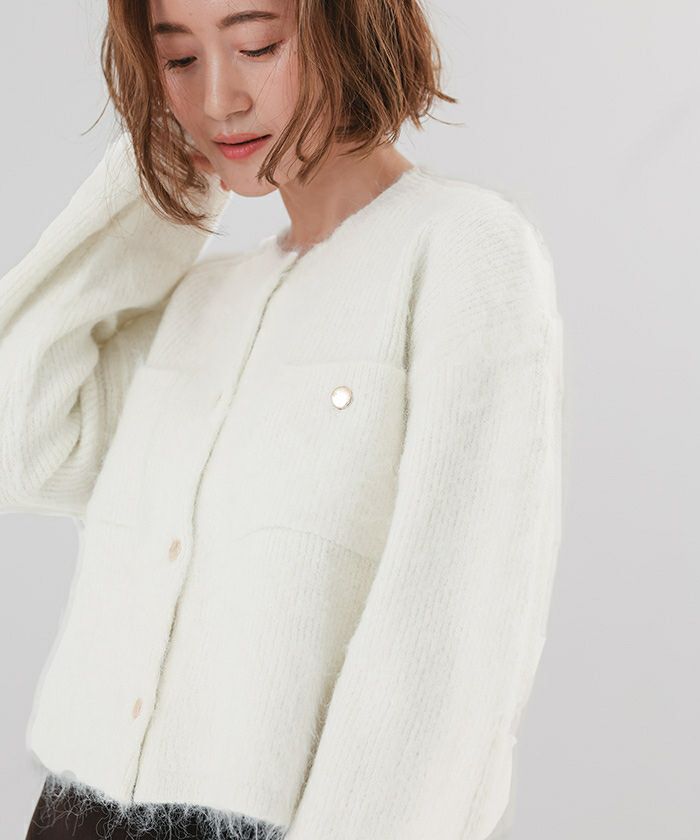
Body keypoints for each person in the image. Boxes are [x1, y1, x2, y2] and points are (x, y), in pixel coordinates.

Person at [4, 1, 564, 838]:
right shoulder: (201, 301)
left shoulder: (461, 251)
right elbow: (22, 444)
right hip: (70, 812)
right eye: (179, 61)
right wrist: (161, 178)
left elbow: (451, 645)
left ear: (351, 24)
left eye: (257, 46)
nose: (218, 99)